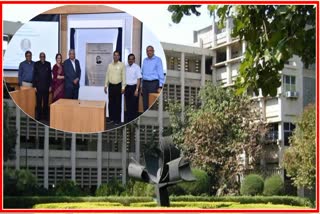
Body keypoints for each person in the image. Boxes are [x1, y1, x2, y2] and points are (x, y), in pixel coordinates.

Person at [104, 51, 126, 125]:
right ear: (113, 56)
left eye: (117, 55)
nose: (116, 56)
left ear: (119, 57)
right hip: (111, 86)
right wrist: (105, 85)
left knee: (117, 103)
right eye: (114, 55)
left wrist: (123, 87)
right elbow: (107, 75)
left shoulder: (122, 65)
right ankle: (111, 118)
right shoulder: (110, 65)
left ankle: (117, 119)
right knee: (111, 103)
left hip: (118, 86)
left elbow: (124, 77)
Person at [141, 45, 164, 111]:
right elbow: (143, 73)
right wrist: (141, 86)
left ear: (153, 51)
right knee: (145, 103)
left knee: (151, 103)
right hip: (145, 83)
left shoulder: (158, 60)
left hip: (153, 83)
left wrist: (160, 86)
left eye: (150, 51)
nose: (149, 52)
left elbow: (160, 74)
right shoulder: (145, 60)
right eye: (147, 51)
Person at [32, 52, 52, 120]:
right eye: (41, 56)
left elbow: (50, 76)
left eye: (43, 56)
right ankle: (39, 116)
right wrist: (34, 86)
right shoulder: (36, 64)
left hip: (46, 87)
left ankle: (45, 117)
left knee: (46, 103)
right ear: (39, 57)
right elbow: (34, 75)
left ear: (45, 57)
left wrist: (50, 86)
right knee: (39, 103)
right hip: (38, 87)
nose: (42, 57)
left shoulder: (48, 64)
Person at [125, 53, 141, 122]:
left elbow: (138, 79)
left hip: (134, 87)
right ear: (128, 60)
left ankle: (134, 120)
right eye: (129, 59)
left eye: (132, 59)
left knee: (134, 105)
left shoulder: (137, 67)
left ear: (134, 60)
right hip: (127, 87)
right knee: (128, 104)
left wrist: (137, 90)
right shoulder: (126, 67)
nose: (130, 60)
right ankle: (128, 119)